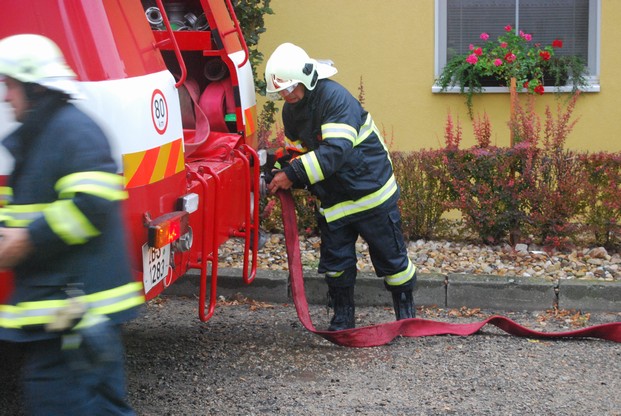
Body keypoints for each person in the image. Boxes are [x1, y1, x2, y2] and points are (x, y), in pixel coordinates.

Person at [0, 34, 144, 415]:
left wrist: (26, 241)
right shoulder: (45, 133)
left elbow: (91, 204)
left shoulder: (72, 131)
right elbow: (27, 207)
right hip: (61, 316)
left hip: (75, 318)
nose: (4, 96)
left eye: (9, 85)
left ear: (34, 87)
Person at [265, 43, 416, 331]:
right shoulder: (292, 110)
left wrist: (293, 174)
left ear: (306, 77)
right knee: (336, 264)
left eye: (290, 88)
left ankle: (407, 314)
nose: (286, 95)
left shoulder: (335, 99)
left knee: (392, 258)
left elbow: (336, 152)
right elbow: (298, 153)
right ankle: (343, 317)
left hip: (370, 193)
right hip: (334, 200)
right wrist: (280, 170)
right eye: (281, 91)